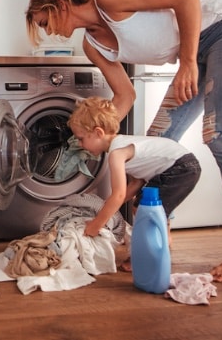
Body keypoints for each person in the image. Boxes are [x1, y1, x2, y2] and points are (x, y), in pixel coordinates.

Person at [25, 0, 222, 282]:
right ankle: (157, 240)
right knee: (153, 147)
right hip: (198, 53)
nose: (48, 32)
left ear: (60, 5)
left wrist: (188, 62)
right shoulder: (92, 45)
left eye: (45, 22)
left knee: (221, 135)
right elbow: (125, 96)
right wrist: (91, 135)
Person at [68, 97, 201, 268]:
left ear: (98, 133)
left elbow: (119, 194)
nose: (80, 144)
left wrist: (96, 225)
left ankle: (144, 257)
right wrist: (103, 209)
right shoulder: (122, 144)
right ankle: (161, 245)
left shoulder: (117, 153)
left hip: (179, 168)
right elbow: (136, 183)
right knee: (147, 207)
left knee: (145, 209)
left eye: (81, 138)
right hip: (181, 165)